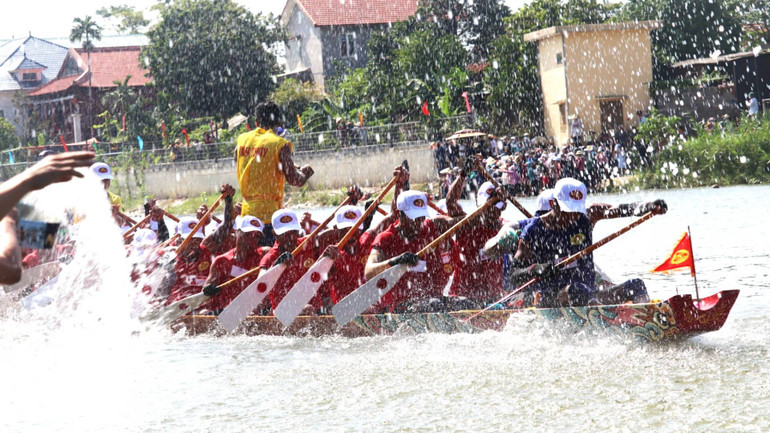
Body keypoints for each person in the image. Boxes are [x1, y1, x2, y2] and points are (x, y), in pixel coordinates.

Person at [508, 178, 667, 308]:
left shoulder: (587, 216)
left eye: (576, 211)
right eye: (567, 211)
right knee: (576, 290)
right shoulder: (533, 230)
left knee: (635, 285)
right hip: (554, 299)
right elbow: (514, 275)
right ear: (553, 203)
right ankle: (608, 318)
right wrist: (536, 269)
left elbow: (619, 209)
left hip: (590, 293)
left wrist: (649, 207)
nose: (572, 217)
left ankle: (645, 315)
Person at [0, 151, 95, 284]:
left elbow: (44, 240)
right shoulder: (22, 208)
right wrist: (8, 220)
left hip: (57, 243)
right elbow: (11, 270)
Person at [363, 186, 462, 313]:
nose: (419, 222)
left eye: (421, 217)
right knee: (434, 304)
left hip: (433, 299)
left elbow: (464, 220)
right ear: (400, 214)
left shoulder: (434, 227)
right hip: (400, 305)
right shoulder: (385, 238)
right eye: (414, 218)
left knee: (465, 303)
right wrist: (395, 261)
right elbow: (369, 271)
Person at [235, 101, 314, 246]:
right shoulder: (279, 143)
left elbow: (247, 160)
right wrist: (306, 173)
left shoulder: (242, 140)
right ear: (278, 121)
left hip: (246, 218)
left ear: (256, 121)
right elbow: (294, 180)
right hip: (269, 218)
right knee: (271, 259)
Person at [163, 184, 236, 306]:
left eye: (197, 239)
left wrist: (228, 201)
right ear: (178, 240)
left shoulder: (207, 247)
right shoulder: (171, 260)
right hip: (180, 309)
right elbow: (162, 292)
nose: (194, 243)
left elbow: (227, 225)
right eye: (189, 239)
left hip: (205, 306)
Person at [257, 208, 337, 313]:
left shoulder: (306, 243)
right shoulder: (270, 258)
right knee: (308, 309)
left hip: (315, 309)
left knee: (331, 305)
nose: (290, 237)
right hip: (285, 312)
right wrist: (276, 267)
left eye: (293, 232)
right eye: (285, 233)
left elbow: (335, 232)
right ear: (274, 233)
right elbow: (260, 283)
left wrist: (326, 254)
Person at [200, 215, 269, 314]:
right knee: (203, 312)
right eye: (247, 235)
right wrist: (209, 290)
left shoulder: (264, 255)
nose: (252, 240)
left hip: (253, 311)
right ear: (237, 233)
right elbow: (204, 296)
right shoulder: (222, 261)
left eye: (256, 236)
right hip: (226, 312)